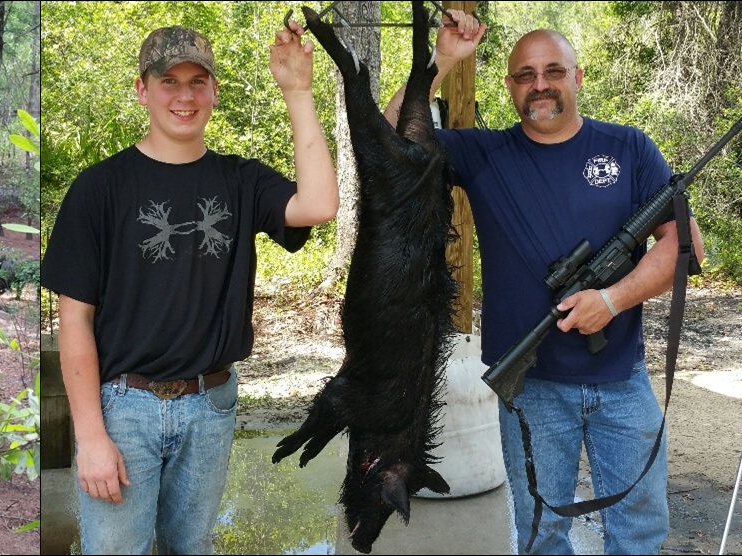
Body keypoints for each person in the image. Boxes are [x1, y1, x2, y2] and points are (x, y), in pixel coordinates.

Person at [385, 10, 705, 555]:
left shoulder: (629, 148)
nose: (540, 85)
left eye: (554, 71)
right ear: (509, 85)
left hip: (622, 380)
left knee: (639, 533)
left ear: (577, 78)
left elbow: (685, 245)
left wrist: (611, 298)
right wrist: (441, 59)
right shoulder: (483, 152)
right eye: (525, 74)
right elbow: (391, 134)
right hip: (529, 387)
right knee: (541, 534)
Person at [40, 21, 338, 555]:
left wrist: (297, 91)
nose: (184, 95)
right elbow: (74, 320)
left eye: (197, 81)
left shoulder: (241, 180)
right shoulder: (99, 188)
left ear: (215, 92)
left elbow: (318, 204)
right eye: (168, 81)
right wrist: (89, 436)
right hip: (122, 406)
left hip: (211, 404)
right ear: (142, 89)